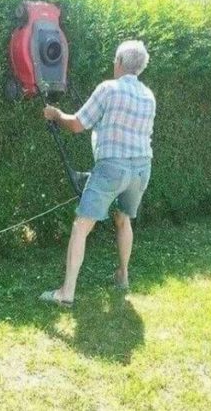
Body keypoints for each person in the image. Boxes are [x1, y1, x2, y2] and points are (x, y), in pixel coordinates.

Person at [40, 40, 156, 307]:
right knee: (123, 219)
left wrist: (56, 114)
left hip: (112, 167)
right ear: (139, 67)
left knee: (81, 227)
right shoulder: (148, 95)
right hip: (141, 168)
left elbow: (77, 124)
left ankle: (66, 293)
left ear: (118, 62)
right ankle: (123, 276)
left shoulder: (109, 89)